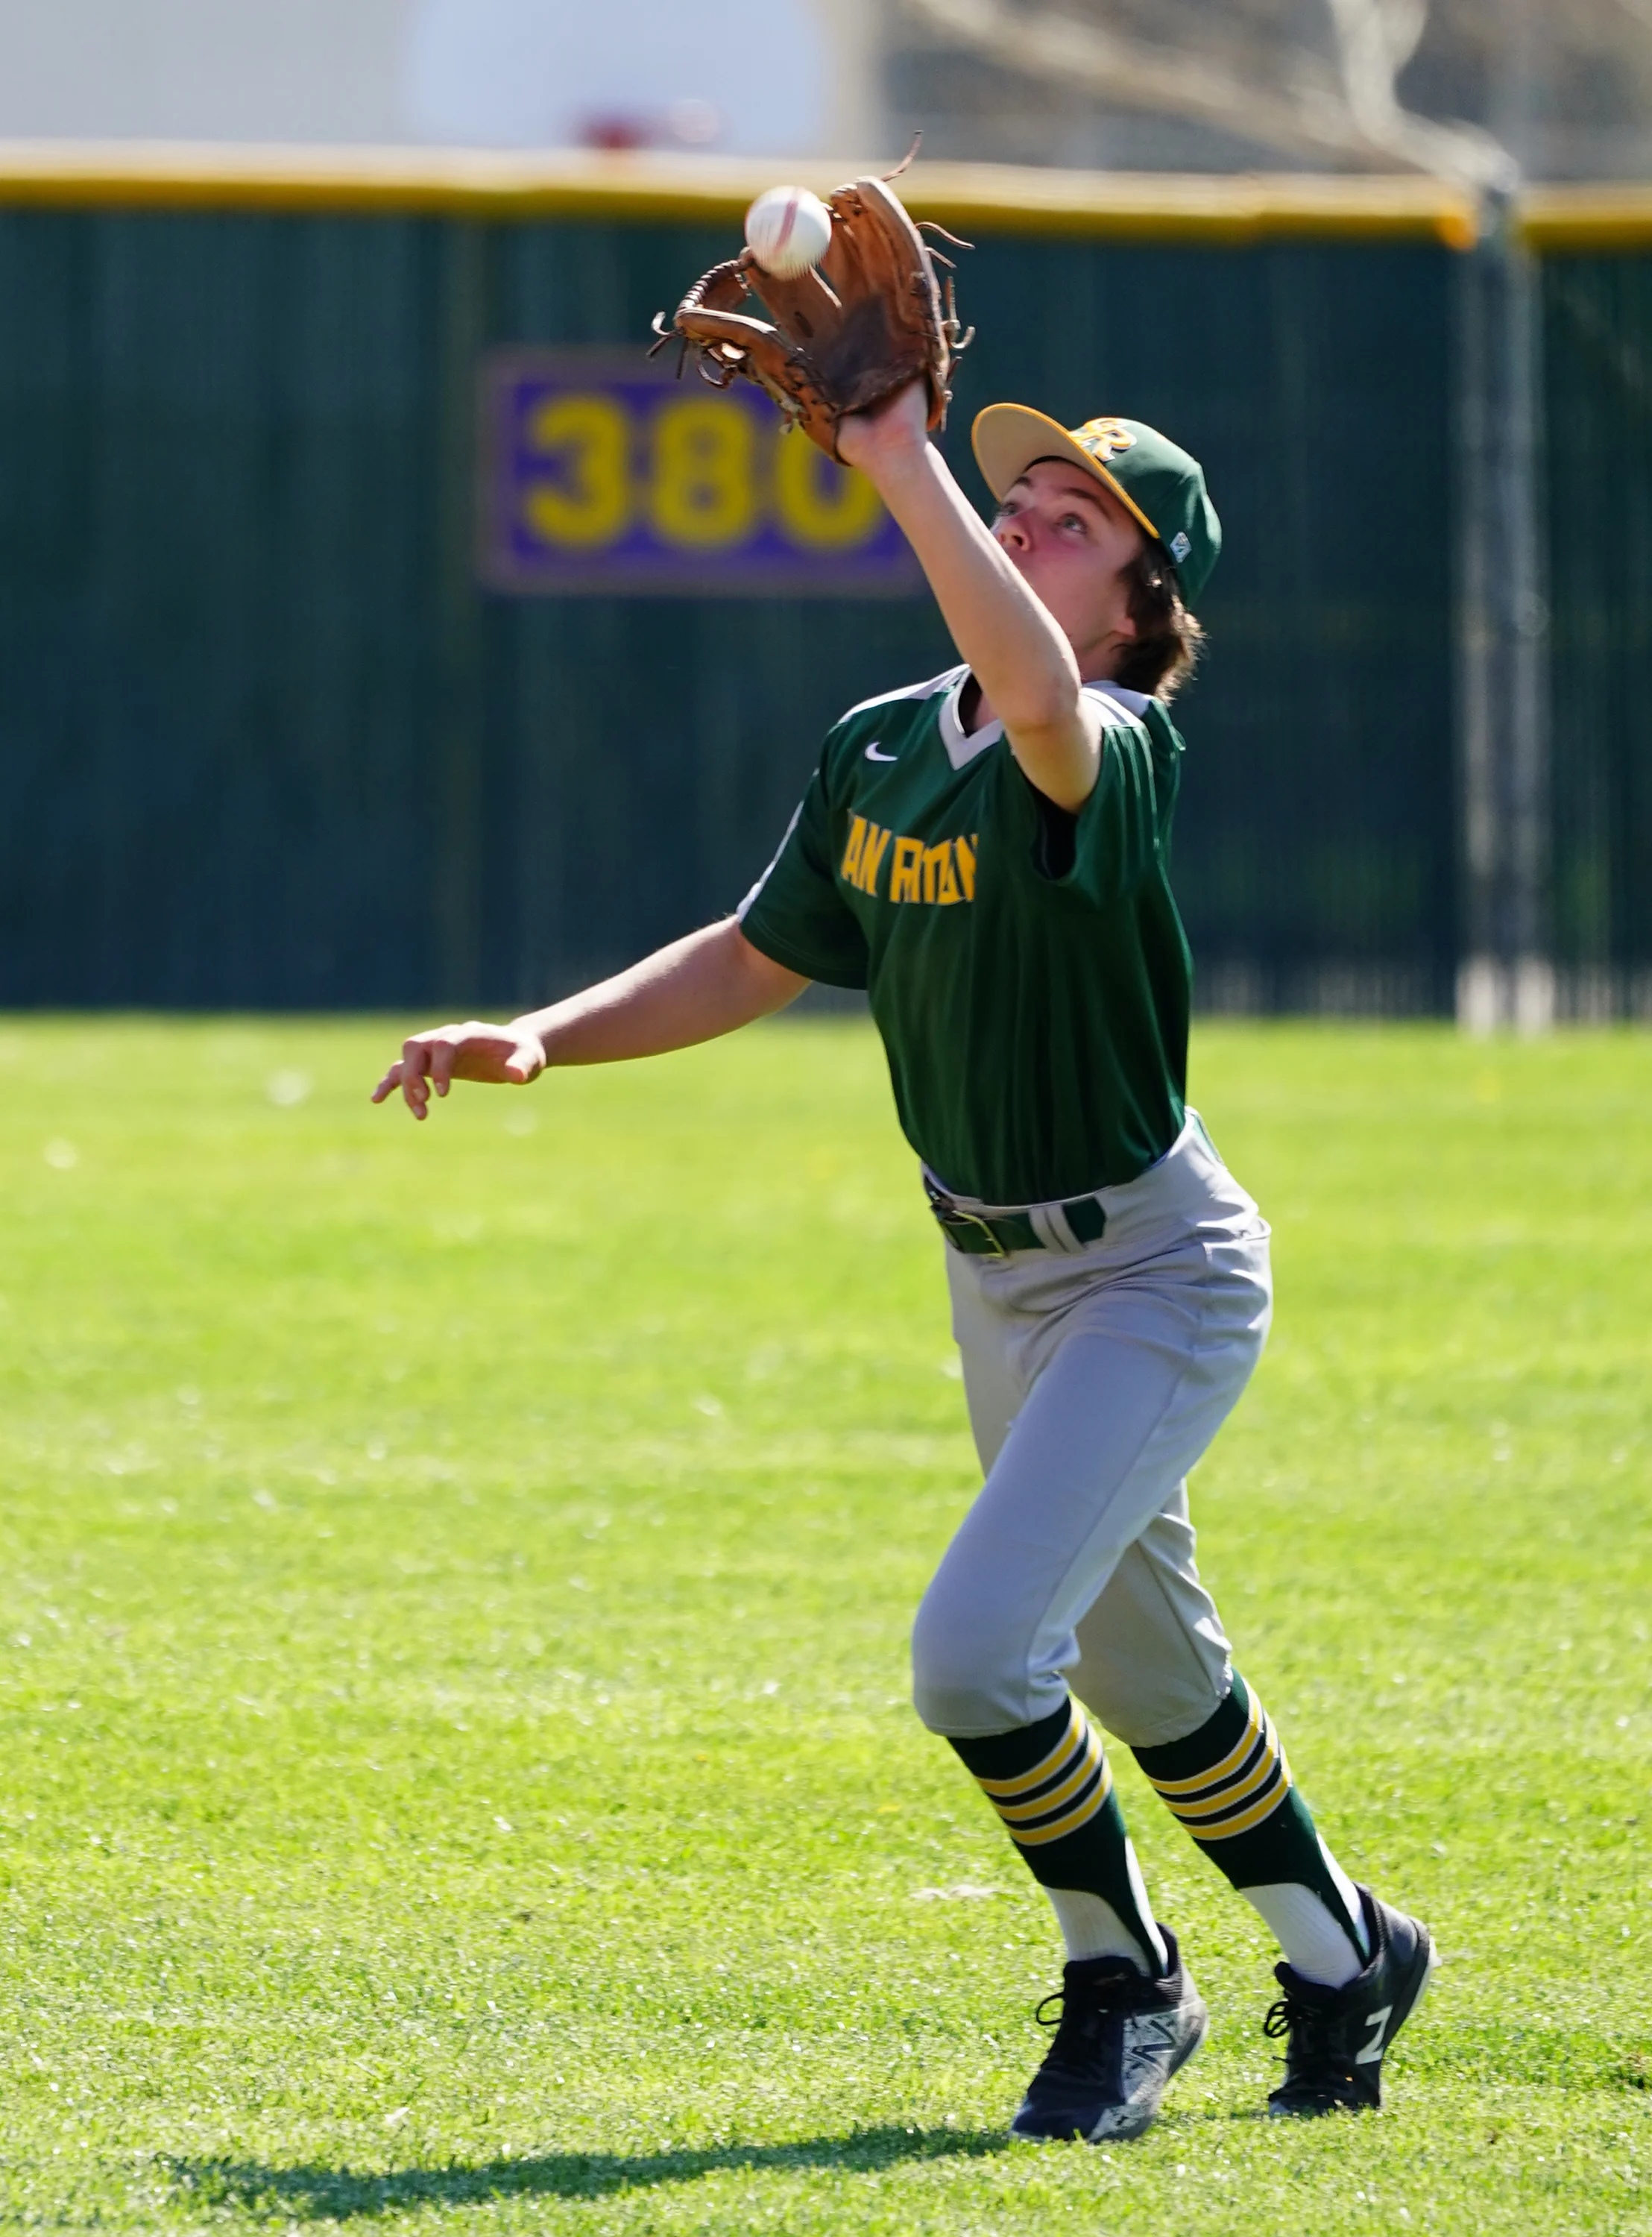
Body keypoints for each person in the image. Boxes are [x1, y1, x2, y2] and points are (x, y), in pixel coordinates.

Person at [371, 380, 1434, 2142]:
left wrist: (896, 460)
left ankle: (1126, 1978)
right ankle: (1345, 1956)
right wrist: (544, 1035)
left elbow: (1031, 696)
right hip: (995, 1278)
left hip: (1151, 1273)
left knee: (973, 1658)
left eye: (1071, 521)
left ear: (1136, 607)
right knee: (1144, 1675)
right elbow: (757, 949)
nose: (1025, 515)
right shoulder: (877, 740)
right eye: (1016, 492)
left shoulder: (1108, 744)